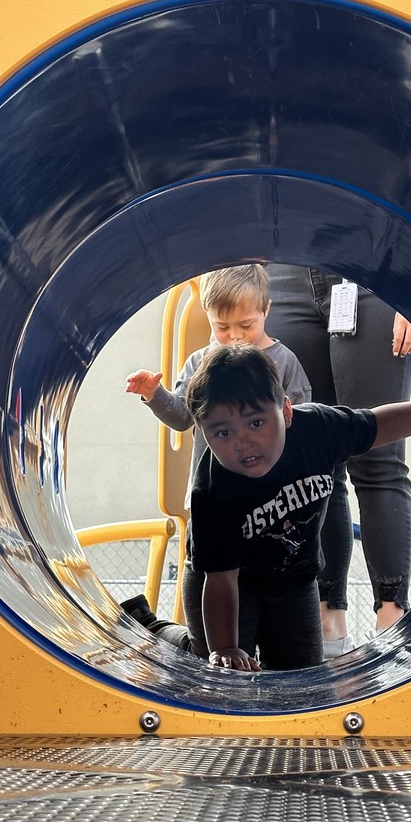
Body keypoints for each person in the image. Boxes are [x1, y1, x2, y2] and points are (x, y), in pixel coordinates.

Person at [185, 342, 411, 671]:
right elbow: (220, 581)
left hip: (295, 579)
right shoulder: (212, 488)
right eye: (223, 432)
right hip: (230, 583)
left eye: (256, 423)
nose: (242, 442)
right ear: (202, 432)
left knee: (299, 673)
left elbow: (379, 424)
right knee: (222, 667)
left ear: (286, 412)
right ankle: (170, 635)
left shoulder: (318, 429)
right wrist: (225, 647)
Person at [124, 264, 311, 654]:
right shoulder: (200, 362)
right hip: (215, 503)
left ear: (266, 310)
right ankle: (151, 626)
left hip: (270, 504)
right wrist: (154, 395)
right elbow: (182, 416)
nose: (234, 337)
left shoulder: (284, 361)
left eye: (245, 325)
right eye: (221, 327)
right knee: (208, 641)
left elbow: (303, 422)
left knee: (262, 611)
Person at [265, 265, 411, 654]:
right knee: (314, 461)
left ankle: (392, 620)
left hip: (376, 273)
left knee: (377, 455)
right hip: (286, 274)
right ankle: (325, 618)